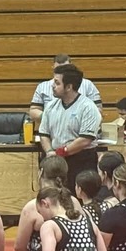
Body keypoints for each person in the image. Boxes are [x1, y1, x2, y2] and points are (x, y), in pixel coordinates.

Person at [39, 63, 103, 191]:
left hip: (81, 161)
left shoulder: (88, 107)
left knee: (79, 197)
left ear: (69, 87)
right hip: (56, 161)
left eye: (57, 83)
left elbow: (85, 139)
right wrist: (50, 152)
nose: (52, 86)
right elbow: (44, 133)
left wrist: (61, 152)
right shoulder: (51, 106)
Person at [28, 55, 103, 127]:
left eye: (66, 68)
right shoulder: (43, 87)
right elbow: (34, 111)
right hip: (52, 130)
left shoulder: (88, 85)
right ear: (53, 67)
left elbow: (98, 111)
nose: (63, 72)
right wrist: (50, 118)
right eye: (59, 69)